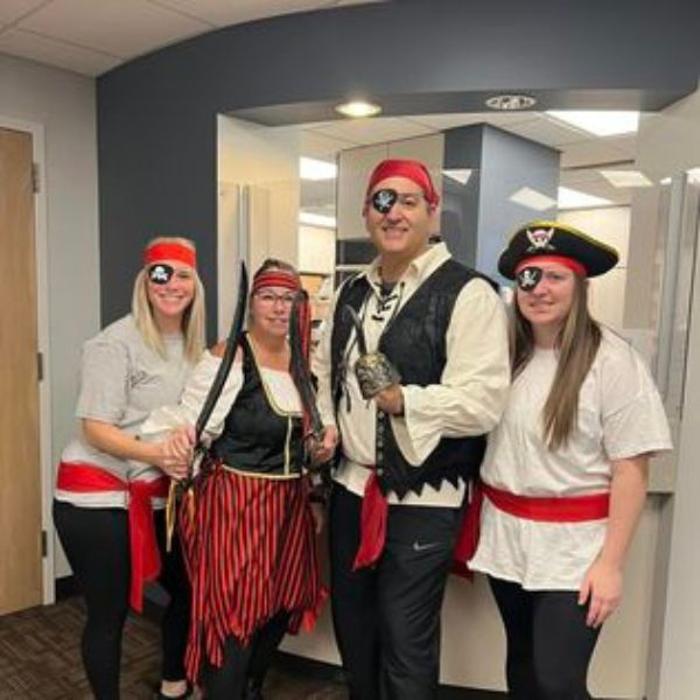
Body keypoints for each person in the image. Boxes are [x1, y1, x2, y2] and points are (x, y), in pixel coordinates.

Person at [312, 158, 511, 699]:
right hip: (351, 489)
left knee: (406, 643)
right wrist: (327, 425)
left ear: (432, 211)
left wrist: (406, 401)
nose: (393, 213)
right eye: (382, 201)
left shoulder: (469, 293)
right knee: (355, 634)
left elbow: (484, 401)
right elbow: (324, 372)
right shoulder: (350, 292)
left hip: (424, 496)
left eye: (407, 201)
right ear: (366, 213)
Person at [466, 220, 673, 699]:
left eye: (555, 277)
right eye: (529, 277)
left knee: (558, 680)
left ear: (580, 286)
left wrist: (611, 566)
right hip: (507, 536)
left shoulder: (613, 362)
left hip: (577, 550)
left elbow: (630, 470)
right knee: (522, 666)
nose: (539, 289)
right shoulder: (503, 357)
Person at [143, 259, 326, 699]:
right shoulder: (230, 356)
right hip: (236, 505)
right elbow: (189, 422)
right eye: (268, 297)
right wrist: (177, 442)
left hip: (290, 506)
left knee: (282, 603)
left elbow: (307, 437)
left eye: (288, 299)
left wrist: (317, 471)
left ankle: (248, 686)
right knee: (235, 618)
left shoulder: (302, 359)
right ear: (252, 303)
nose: (279, 308)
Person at [53, 237, 204, 700]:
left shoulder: (193, 346)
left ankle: (174, 683)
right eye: (161, 273)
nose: (172, 284)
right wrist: (158, 455)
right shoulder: (113, 344)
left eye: (182, 274)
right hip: (97, 497)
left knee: (189, 588)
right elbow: (95, 429)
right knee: (109, 613)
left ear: (195, 283)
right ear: (145, 282)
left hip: (154, 489)